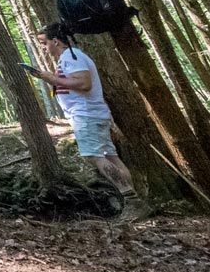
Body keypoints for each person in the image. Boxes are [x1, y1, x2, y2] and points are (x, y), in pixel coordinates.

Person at [26, 22, 148, 219]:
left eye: (43, 43)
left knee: (93, 156)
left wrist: (52, 79)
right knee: (110, 157)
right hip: (90, 114)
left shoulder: (71, 56)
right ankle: (134, 200)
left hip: (86, 114)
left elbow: (84, 83)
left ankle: (132, 201)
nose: (43, 48)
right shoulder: (69, 57)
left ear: (55, 41)